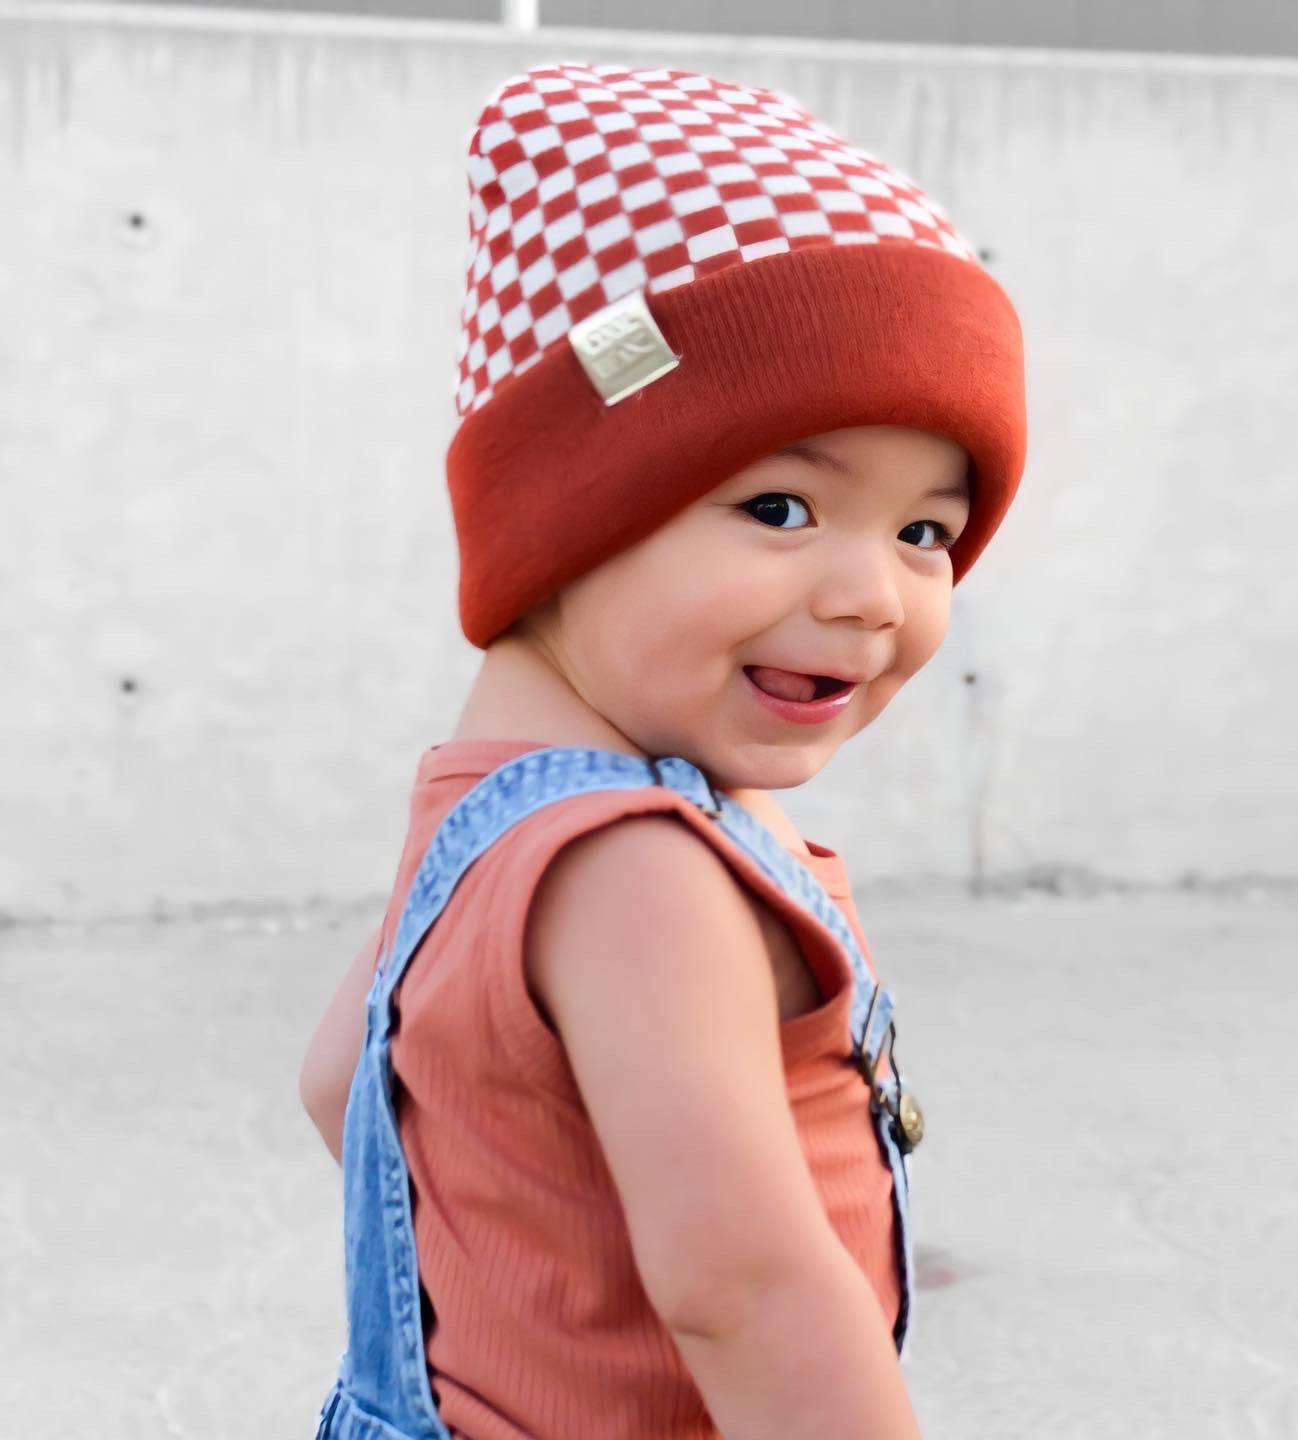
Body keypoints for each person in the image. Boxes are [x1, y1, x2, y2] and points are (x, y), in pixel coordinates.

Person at [299, 58, 1026, 1440]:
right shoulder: (643, 868)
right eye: (780, 507)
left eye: (926, 532)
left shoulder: (481, 804)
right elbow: (747, 1294)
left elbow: (348, 1084)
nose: (872, 594)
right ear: (562, 517)